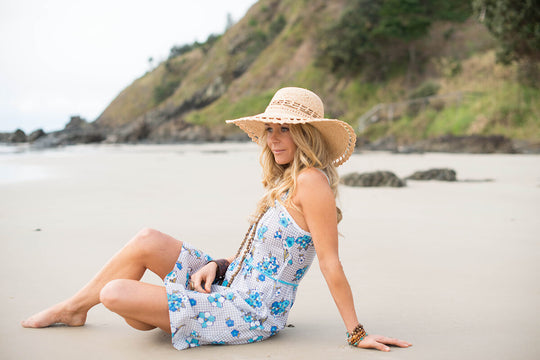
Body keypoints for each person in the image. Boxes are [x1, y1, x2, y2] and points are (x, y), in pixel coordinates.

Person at [22, 87, 411, 352]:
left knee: (116, 294)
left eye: (284, 131)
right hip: (232, 282)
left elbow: (330, 262)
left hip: (249, 312)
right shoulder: (288, 181)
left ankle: (155, 310)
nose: (272, 139)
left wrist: (356, 332)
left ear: (305, 135)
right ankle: (73, 308)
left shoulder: (311, 183)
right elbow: (265, 256)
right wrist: (218, 265)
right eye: (269, 130)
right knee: (147, 240)